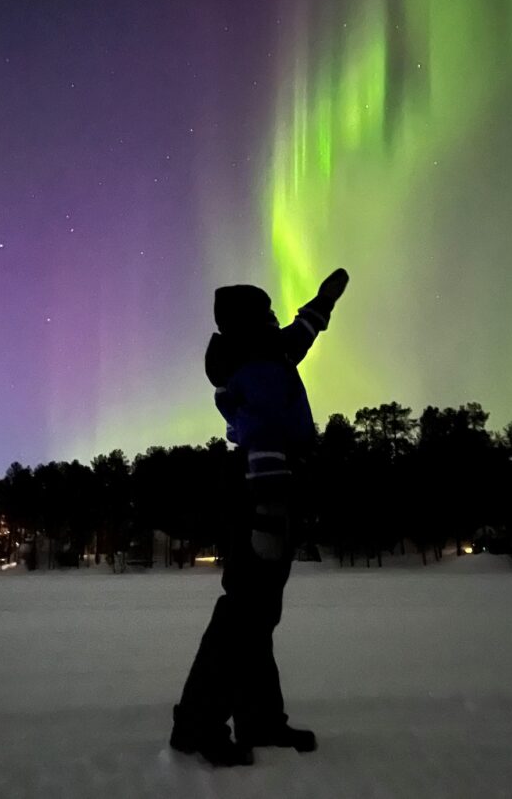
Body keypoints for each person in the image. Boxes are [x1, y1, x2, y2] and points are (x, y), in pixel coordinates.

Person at [169, 268, 349, 767]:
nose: (276, 317)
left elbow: (299, 337)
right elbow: (264, 433)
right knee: (244, 614)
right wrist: (269, 515)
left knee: (256, 614)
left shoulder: (261, 352)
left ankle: (260, 718)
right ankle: (198, 725)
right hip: (263, 491)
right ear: (253, 321)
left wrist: (322, 304)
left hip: (263, 490)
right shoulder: (260, 366)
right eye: (268, 312)